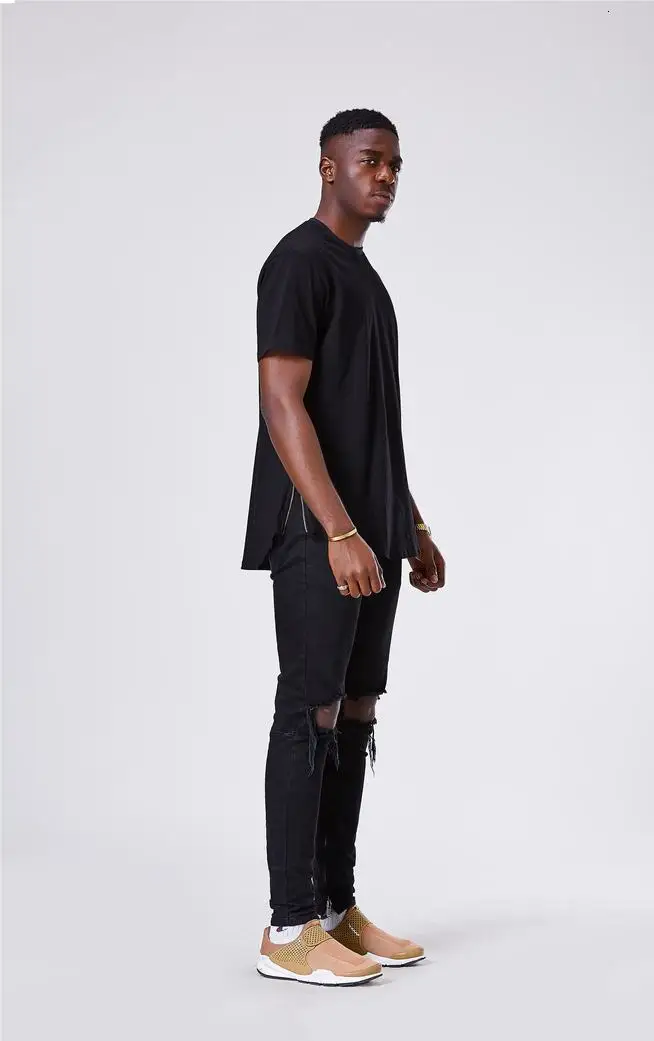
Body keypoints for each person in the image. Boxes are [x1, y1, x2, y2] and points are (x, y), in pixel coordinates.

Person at [241, 108, 446, 986]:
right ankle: (289, 927)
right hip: (320, 532)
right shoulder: (298, 262)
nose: (386, 176)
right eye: (370, 161)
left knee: (356, 712)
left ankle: (333, 909)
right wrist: (339, 530)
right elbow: (281, 403)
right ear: (329, 167)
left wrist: (411, 524)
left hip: (371, 533)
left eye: (395, 164)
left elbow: (372, 424)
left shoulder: (366, 279)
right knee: (310, 710)